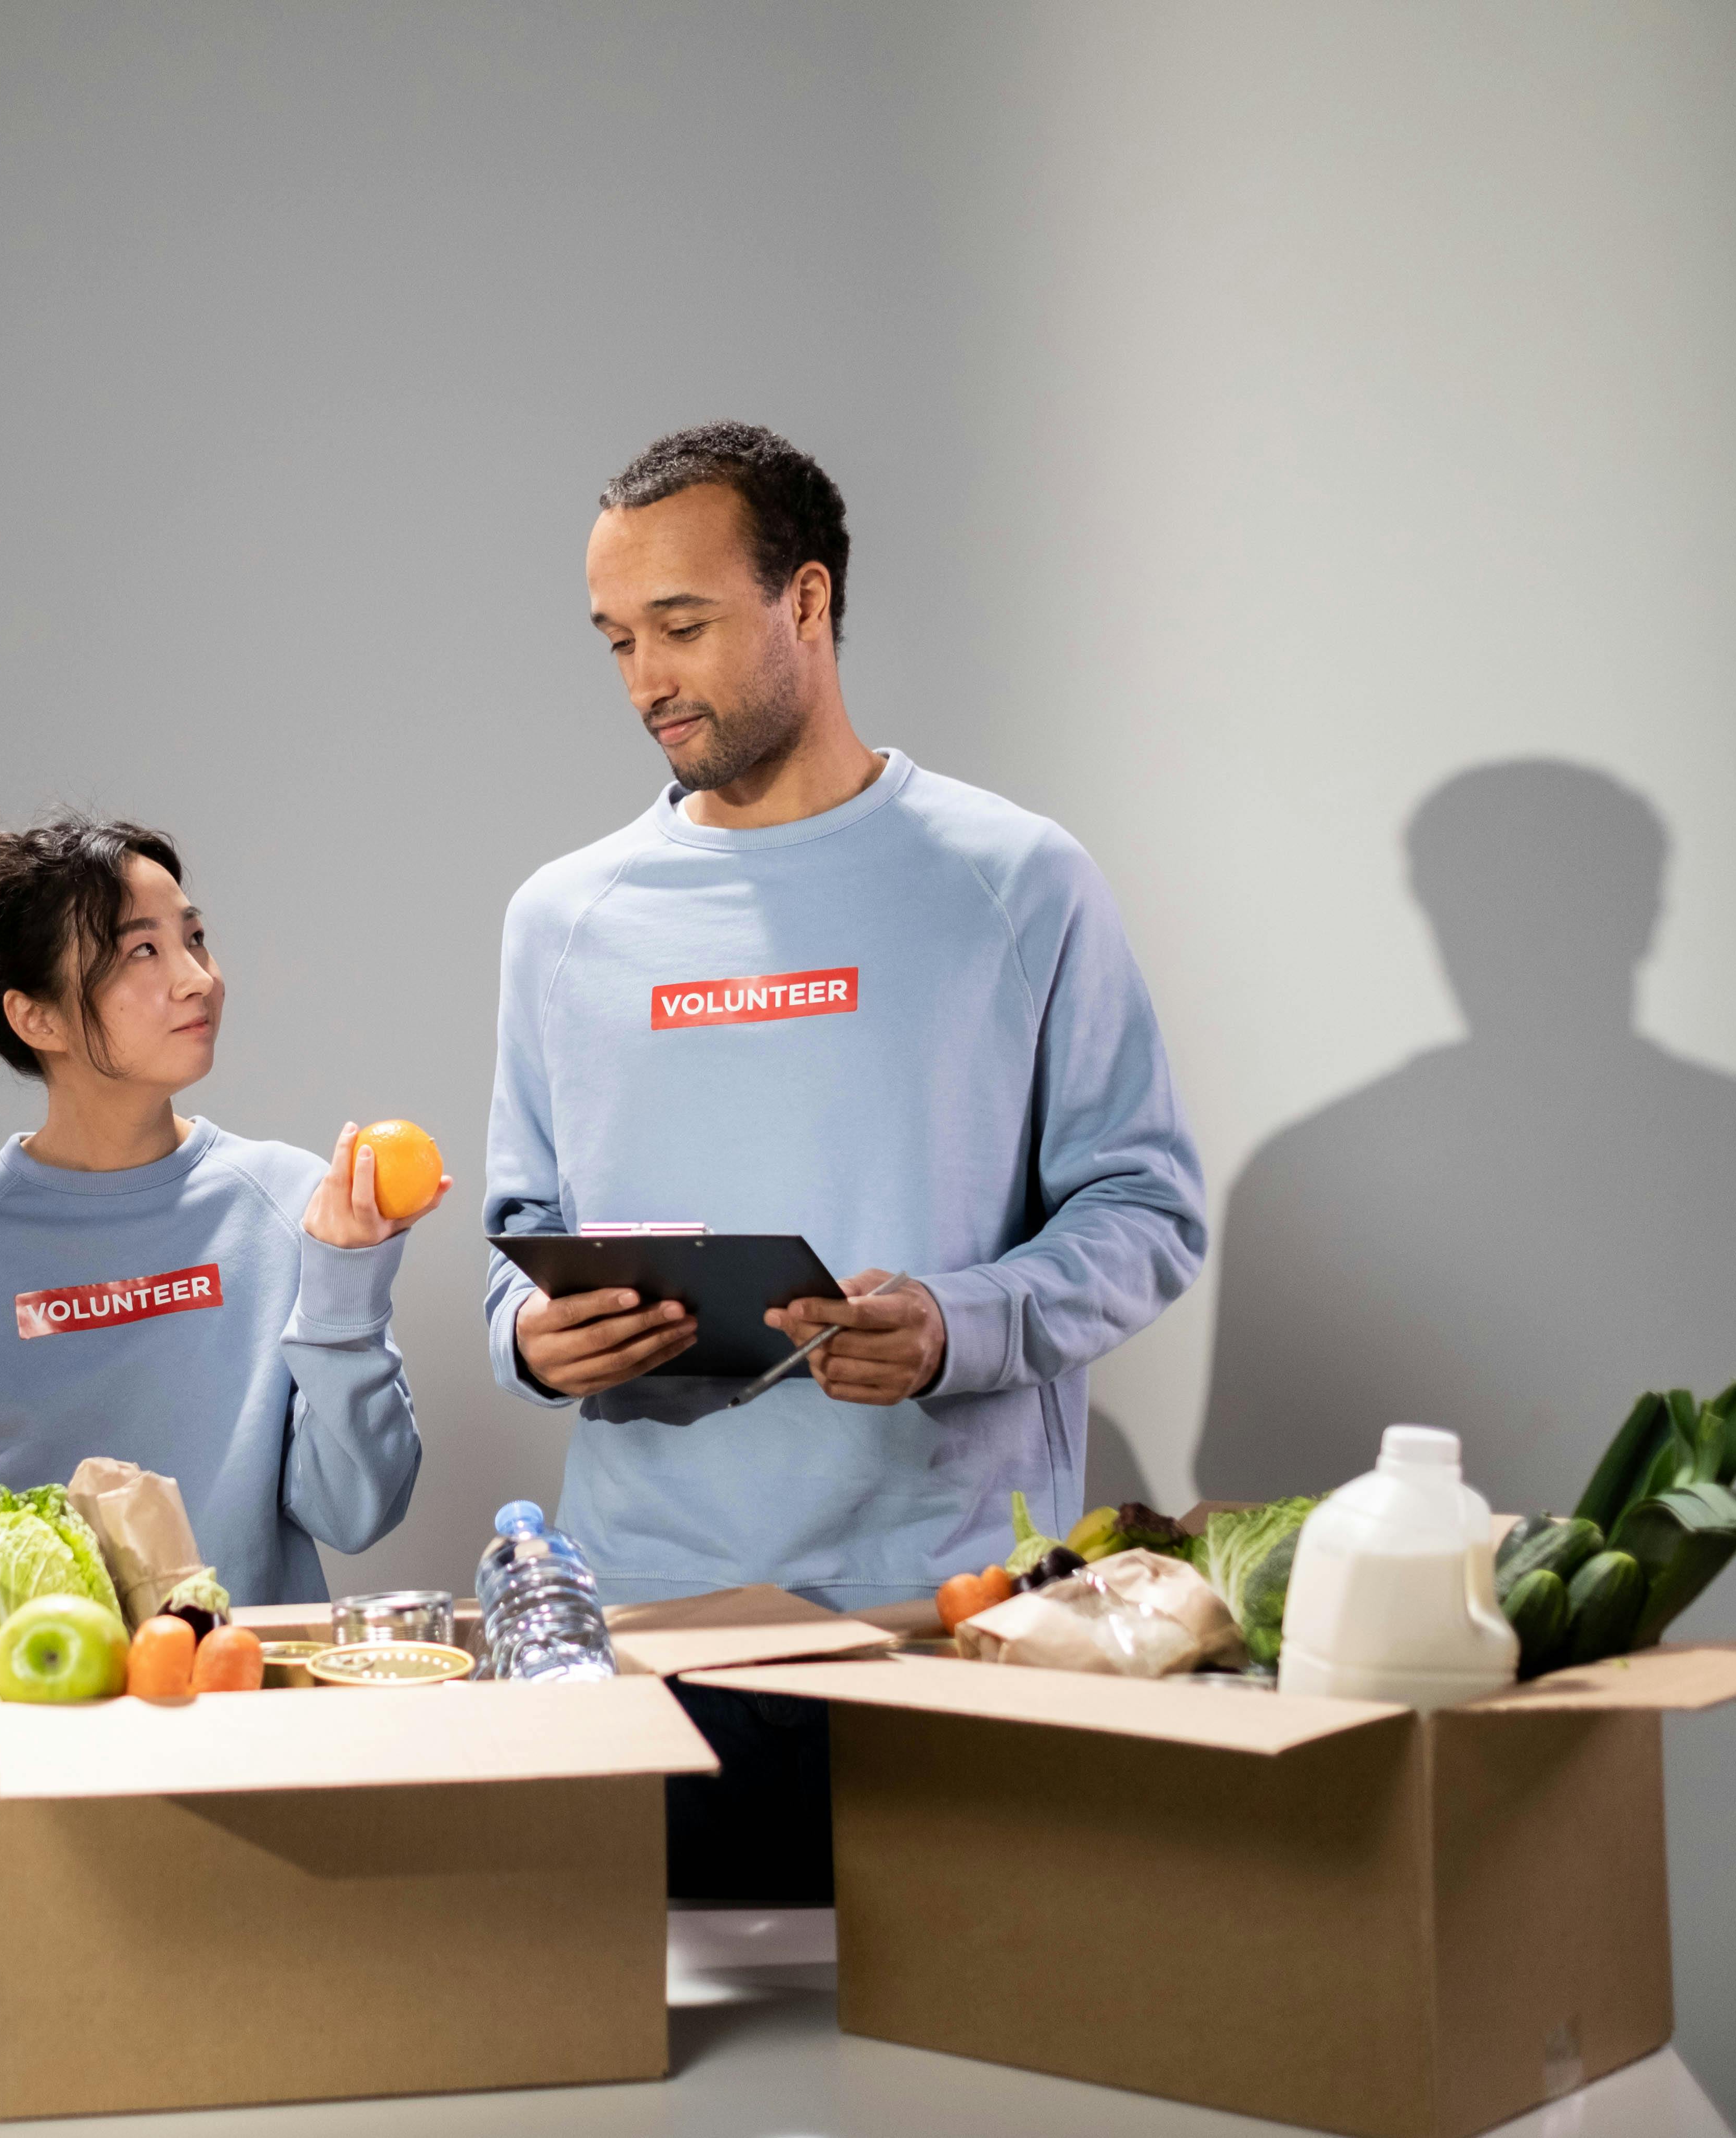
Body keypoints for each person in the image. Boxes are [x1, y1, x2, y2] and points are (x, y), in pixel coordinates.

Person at [484, 422, 1206, 1899]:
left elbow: (1145, 1206)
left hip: (951, 1615)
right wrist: (536, 1341)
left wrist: (958, 1322)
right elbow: (519, 1229)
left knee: (954, 2087)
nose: (644, 681)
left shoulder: (1015, 883)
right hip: (652, 1627)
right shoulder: (561, 922)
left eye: (680, 627)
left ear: (804, 603)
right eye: (617, 638)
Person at [0, 814, 441, 1867]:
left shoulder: (288, 1201)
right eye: (139, 953)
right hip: (2, 1758)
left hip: (243, 1729)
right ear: (37, 1017)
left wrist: (346, 1280)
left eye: (193, 937)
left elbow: (356, 1507)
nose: (196, 977)